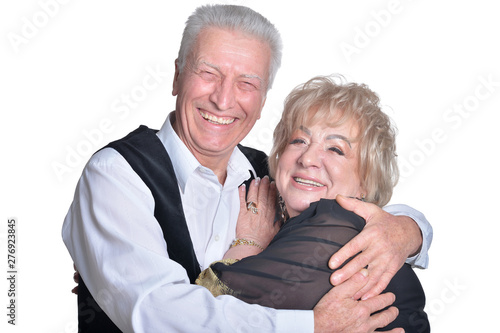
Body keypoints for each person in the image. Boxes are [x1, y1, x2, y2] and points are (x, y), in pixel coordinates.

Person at [62, 4, 432, 332]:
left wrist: (406, 230)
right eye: (208, 73)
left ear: (262, 99)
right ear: (177, 76)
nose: (223, 99)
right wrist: (312, 327)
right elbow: (156, 315)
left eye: (246, 83)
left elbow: (340, 212)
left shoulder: (275, 176)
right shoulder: (117, 173)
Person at [195, 75, 430, 332]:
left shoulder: (332, 226)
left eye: (335, 149)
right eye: (299, 141)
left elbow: (201, 308)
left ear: (366, 182)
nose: (307, 159)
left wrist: (249, 243)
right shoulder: (342, 229)